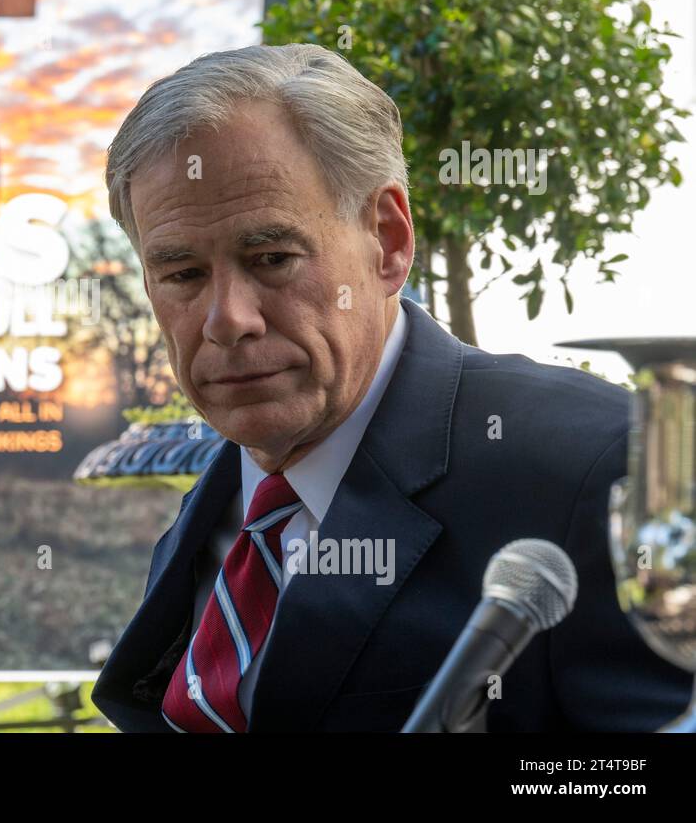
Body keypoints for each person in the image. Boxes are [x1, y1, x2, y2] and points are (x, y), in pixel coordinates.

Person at [90, 43, 692, 732]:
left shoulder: (602, 467)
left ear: (389, 239)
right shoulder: (225, 501)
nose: (229, 320)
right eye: (182, 274)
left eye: (272, 259)